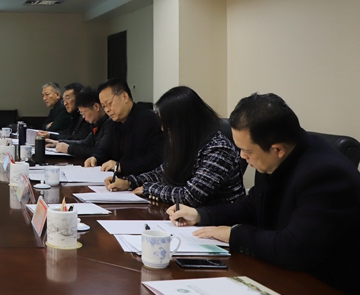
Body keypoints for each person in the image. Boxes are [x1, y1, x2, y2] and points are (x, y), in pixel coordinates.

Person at [167, 93, 360, 295]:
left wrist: (234, 234)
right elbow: (252, 205)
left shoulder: (326, 174)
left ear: (277, 149)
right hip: (294, 280)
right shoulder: (278, 159)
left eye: (247, 151)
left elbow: (293, 249)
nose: (242, 157)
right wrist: (201, 215)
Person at [106, 86, 244, 207]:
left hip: (218, 222)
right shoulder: (189, 143)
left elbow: (190, 196)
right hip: (190, 218)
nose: (163, 129)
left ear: (182, 122)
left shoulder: (218, 149)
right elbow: (164, 172)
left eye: (167, 123)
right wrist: (129, 182)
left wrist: (149, 188)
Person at [96, 78, 164, 175]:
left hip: (142, 179)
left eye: (109, 104)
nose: (107, 110)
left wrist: (122, 166)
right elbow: (105, 149)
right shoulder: (113, 123)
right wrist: (95, 158)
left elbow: (156, 158)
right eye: (104, 106)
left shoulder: (148, 120)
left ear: (125, 97)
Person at [51, 87, 114, 166]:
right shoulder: (97, 123)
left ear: (96, 107)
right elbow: (85, 142)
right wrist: (60, 142)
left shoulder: (110, 123)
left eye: (83, 113)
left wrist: (69, 149)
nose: (83, 117)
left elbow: (100, 151)